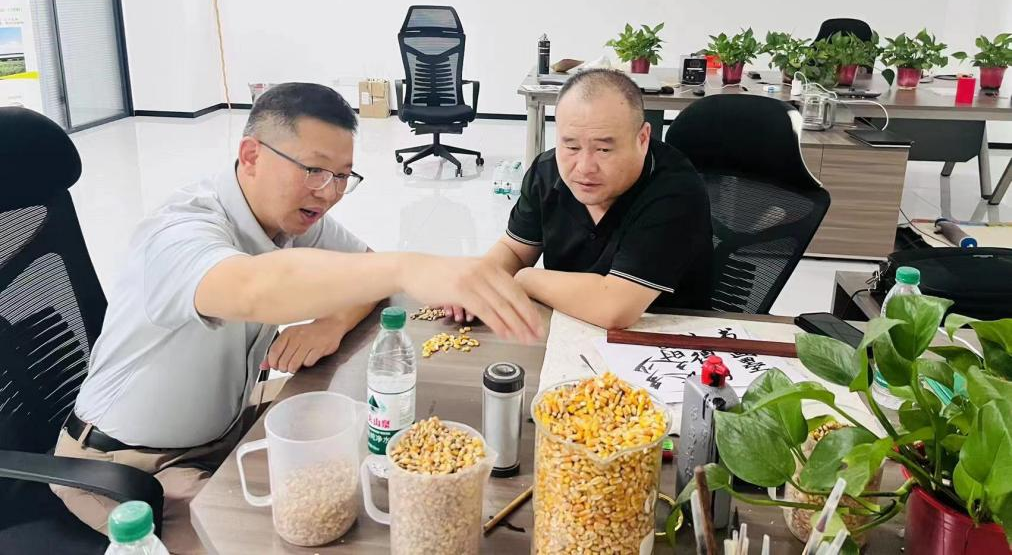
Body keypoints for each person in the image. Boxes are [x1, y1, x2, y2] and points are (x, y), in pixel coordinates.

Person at [53, 82, 541, 554]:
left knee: (376, 455)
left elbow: (364, 273)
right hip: (127, 466)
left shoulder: (289, 218)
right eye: (314, 170)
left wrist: (332, 323)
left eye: (343, 176)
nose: (328, 193)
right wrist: (407, 266)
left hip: (224, 428)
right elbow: (252, 288)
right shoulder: (179, 232)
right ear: (251, 155)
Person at [451, 68, 712, 330]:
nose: (585, 167)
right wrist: (480, 282)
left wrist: (525, 279)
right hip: (568, 326)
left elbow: (615, 308)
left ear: (642, 139)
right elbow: (514, 251)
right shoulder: (546, 172)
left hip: (663, 333)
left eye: (604, 149)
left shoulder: (675, 190)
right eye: (572, 146)